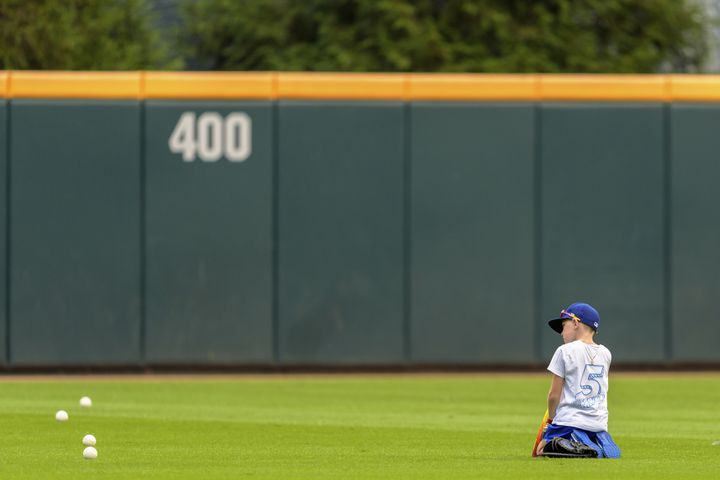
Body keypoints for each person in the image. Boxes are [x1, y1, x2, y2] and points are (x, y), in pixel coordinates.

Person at [535, 302, 621, 458]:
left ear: (575, 323)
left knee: (543, 450)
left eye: (563, 326)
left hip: (568, 423)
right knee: (592, 436)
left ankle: (574, 445)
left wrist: (550, 424)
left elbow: (554, 395)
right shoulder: (606, 353)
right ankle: (597, 440)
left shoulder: (564, 351)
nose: (561, 332)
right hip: (599, 424)